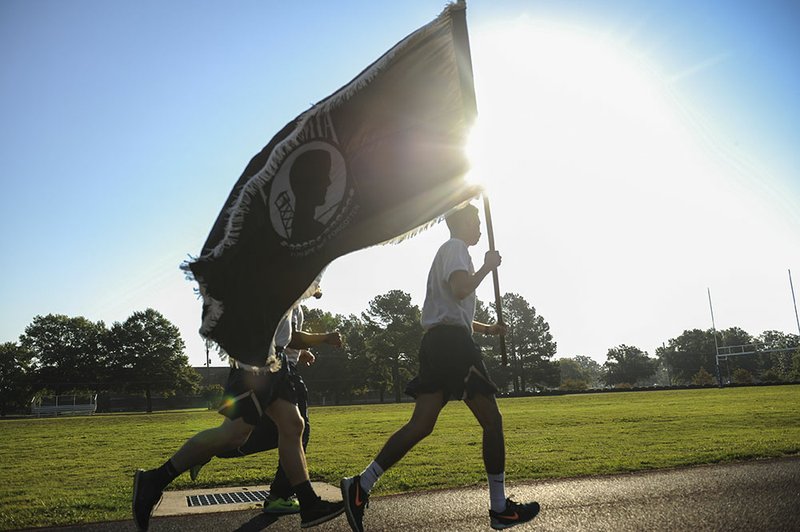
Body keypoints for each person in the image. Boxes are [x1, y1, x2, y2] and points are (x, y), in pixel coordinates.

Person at [340, 203, 541, 531]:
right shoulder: (456, 248)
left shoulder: (451, 252)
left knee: (420, 425)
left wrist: (489, 330)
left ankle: (361, 485)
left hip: (439, 343)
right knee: (492, 422)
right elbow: (462, 289)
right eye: (475, 221)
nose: (479, 227)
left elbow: (452, 309)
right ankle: (500, 507)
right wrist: (488, 267)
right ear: (462, 221)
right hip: (452, 347)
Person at [132, 299, 344, 531]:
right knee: (234, 434)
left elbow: (283, 329)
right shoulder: (273, 271)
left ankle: (308, 503)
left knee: (294, 426)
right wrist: (321, 337)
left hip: (277, 360)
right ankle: (154, 480)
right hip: (258, 360)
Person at [189, 290, 334, 516]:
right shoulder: (286, 296)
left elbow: (284, 338)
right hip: (277, 372)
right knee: (297, 432)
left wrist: (301, 351)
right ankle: (280, 496)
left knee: (268, 433)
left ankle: (207, 450)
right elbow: (290, 337)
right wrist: (324, 337)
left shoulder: (294, 302)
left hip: (280, 370)